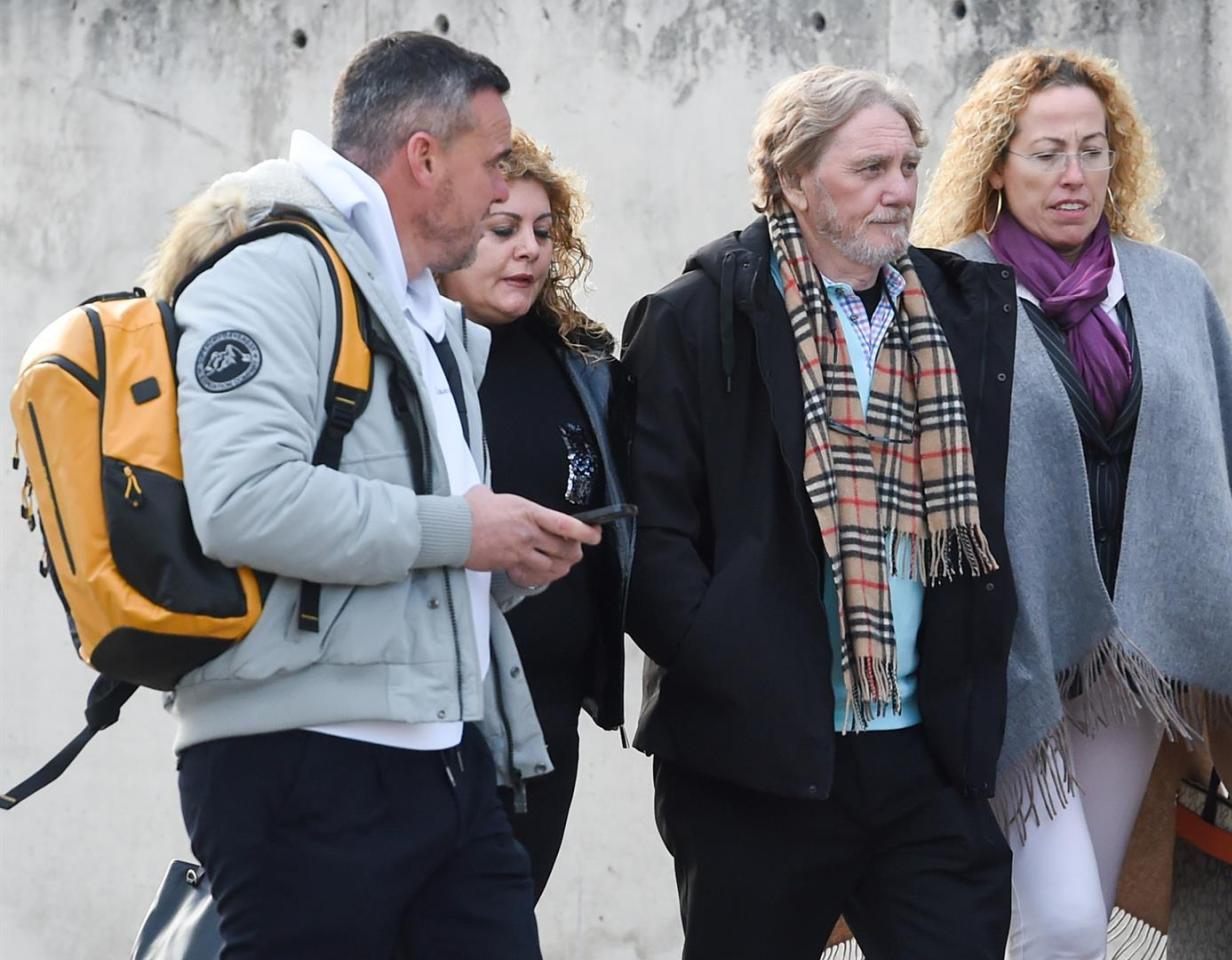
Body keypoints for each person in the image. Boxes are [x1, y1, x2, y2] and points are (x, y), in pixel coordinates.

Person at [142, 32, 601, 958]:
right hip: (302, 759)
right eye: (493, 161)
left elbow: (422, 545)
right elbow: (243, 500)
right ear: (424, 158)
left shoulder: (419, 305)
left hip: (446, 757)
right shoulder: (276, 266)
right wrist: (462, 532)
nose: (502, 187)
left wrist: (505, 561)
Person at [914, 48, 1232, 958]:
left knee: (1070, 919)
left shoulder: (1171, 288)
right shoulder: (943, 289)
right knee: (1055, 918)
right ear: (996, 166)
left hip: (1133, 663)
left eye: (1093, 151)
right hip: (1000, 656)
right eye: (1046, 153)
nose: (1074, 175)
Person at [621, 66, 1018, 960]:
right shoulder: (696, 317)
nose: (900, 190)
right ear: (794, 179)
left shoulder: (957, 313)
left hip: (924, 759)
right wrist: (737, 666)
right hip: (758, 759)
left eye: (908, 166)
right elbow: (649, 535)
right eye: (870, 169)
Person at [437, 128, 632, 902]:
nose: (528, 249)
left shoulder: (582, 361)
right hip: (438, 714)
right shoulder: (410, 359)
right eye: (502, 229)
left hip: (549, 715)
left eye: (543, 232)